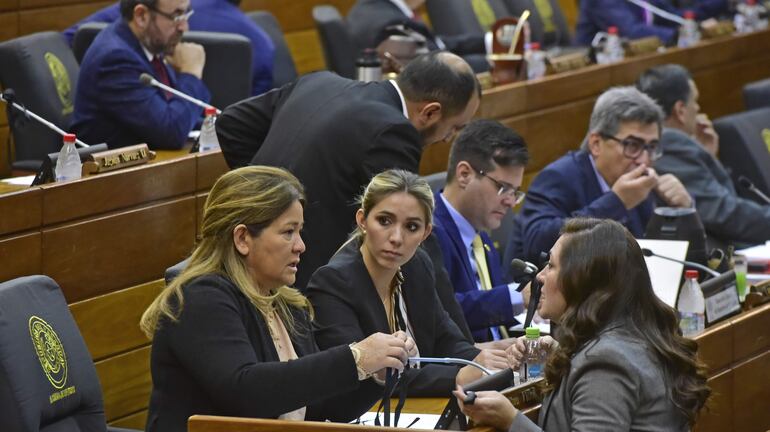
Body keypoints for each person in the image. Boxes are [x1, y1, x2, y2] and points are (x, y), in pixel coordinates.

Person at [126, 166, 409, 432]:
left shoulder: (287, 303)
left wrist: (375, 372)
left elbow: (319, 406)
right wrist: (355, 358)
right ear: (243, 238)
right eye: (288, 232)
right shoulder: (200, 299)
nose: (301, 246)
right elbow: (245, 389)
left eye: (300, 231)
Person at [457, 217, 711, 432]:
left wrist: (511, 421)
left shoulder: (607, 362)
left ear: (581, 280)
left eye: (551, 266)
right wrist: (561, 356)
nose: (539, 276)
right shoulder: (637, 337)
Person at [217, 50, 481, 288]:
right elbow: (415, 237)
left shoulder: (318, 82)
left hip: (240, 258)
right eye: (455, 127)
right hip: (303, 282)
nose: (450, 138)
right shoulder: (394, 132)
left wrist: (257, 197)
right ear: (431, 113)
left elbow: (231, 124)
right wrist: (459, 339)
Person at [307, 170, 509, 397]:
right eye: (384, 221)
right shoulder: (334, 282)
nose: (396, 238)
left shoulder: (417, 263)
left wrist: (484, 361)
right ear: (362, 220)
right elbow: (364, 381)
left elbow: (446, 340)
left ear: (425, 233)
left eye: (411, 227)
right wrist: (458, 376)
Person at [508, 86, 693, 263]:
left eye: (651, 147)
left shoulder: (642, 182)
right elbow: (537, 243)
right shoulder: (559, 177)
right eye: (632, 145)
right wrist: (616, 202)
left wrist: (684, 211)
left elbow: (667, 256)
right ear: (596, 144)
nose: (643, 160)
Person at [636, 64, 770, 247]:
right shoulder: (669, 141)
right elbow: (721, 213)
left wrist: (709, 158)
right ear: (680, 110)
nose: (698, 108)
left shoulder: (675, 145)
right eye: (695, 101)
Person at [433, 120, 528, 343]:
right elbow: (439, 313)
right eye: (503, 188)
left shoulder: (481, 237)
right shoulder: (428, 232)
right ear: (464, 174)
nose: (510, 201)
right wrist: (516, 296)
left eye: (515, 192)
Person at [70, 0, 210, 149]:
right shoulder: (115, 60)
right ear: (141, 16)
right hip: (112, 169)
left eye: (185, 14)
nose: (184, 27)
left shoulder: (149, 44)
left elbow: (178, 114)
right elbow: (170, 132)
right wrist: (191, 73)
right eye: (176, 17)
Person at [62, 0, 275, 96]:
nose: (184, 27)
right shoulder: (262, 43)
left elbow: (70, 39)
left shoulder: (161, 5)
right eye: (177, 17)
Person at [346, 0, 490, 72]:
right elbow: (440, 71)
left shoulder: (371, 8)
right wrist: (498, 62)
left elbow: (439, 45)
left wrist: (490, 41)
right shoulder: (391, 24)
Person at [575, 0, 727, 46]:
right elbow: (632, 32)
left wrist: (698, 22)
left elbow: (671, 17)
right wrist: (682, 33)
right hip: (599, 67)